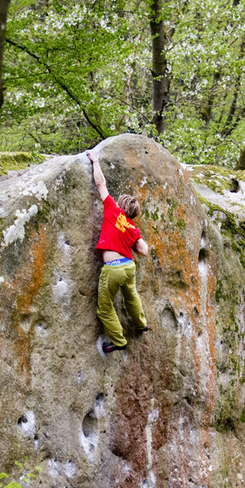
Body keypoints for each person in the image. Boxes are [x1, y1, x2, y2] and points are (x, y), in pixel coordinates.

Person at [86, 148, 151, 354]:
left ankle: (119, 341)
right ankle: (141, 323)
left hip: (113, 268)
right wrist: (133, 239)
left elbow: (100, 184)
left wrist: (95, 161)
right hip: (128, 267)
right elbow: (144, 250)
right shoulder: (132, 228)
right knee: (131, 296)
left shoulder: (113, 210)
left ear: (121, 205)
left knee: (104, 308)